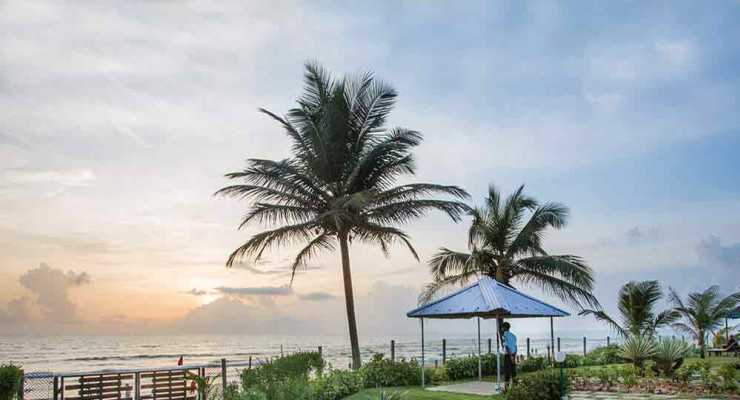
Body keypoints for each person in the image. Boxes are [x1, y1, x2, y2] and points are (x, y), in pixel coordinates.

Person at [501, 321, 517, 388]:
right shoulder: (513, 335)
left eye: (502, 327)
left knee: (507, 372)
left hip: (508, 356)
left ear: (504, 328)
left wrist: (510, 356)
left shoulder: (504, 335)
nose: (501, 328)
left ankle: (506, 388)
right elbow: (515, 347)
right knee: (513, 371)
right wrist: (514, 356)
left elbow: (507, 347)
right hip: (513, 354)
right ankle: (515, 386)